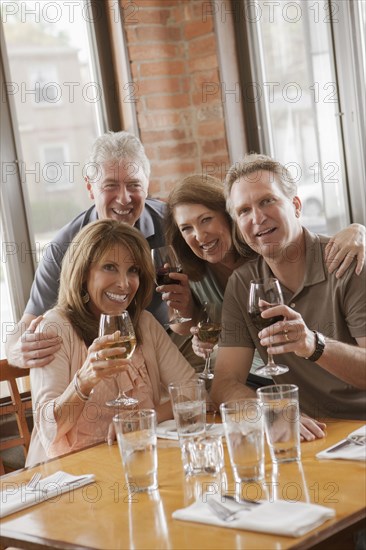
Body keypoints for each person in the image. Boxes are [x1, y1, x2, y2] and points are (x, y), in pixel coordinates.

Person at [5, 131, 193, 369]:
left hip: (171, 343)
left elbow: (191, 314)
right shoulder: (65, 246)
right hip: (102, 357)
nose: (124, 198)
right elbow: (27, 323)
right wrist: (15, 350)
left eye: (134, 185)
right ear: (90, 188)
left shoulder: (174, 225)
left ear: (147, 186)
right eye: (111, 186)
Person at [210, 153, 366, 432]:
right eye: (244, 211)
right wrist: (271, 413)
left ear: (295, 205)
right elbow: (224, 384)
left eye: (267, 201)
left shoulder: (347, 261)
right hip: (309, 432)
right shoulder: (243, 283)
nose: (257, 217)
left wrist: (313, 344)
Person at [26, 220, 196, 467]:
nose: (125, 283)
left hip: (136, 462)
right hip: (70, 475)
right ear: (83, 273)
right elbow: (48, 429)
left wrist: (143, 421)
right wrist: (83, 382)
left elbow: (191, 390)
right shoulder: (55, 328)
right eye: (109, 267)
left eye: (133, 270)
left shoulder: (144, 323)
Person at [160, 174, 365, 374]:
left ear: (230, 216)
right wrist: (196, 326)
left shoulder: (266, 250)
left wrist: (359, 230)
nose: (199, 235)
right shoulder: (195, 269)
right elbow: (186, 326)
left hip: (300, 365)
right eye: (186, 228)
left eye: (206, 220)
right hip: (250, 368)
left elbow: (302, 239)